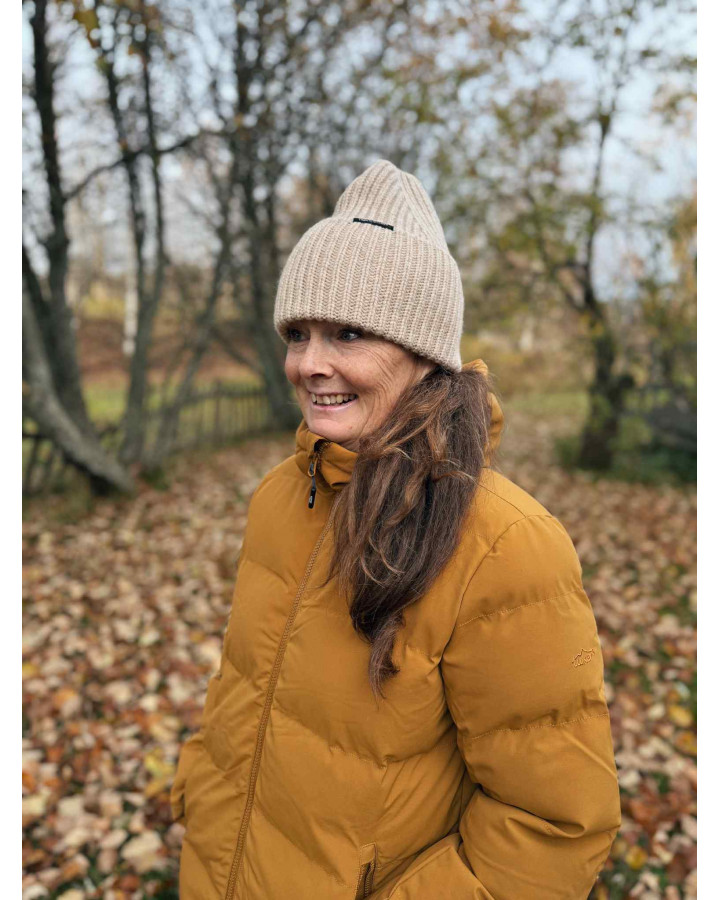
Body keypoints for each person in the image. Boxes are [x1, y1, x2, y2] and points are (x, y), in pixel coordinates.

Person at [170, 159, 621, 899]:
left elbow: (554, 825)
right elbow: (245, 684)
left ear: (423, 353)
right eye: (298, 333)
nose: (310, 364)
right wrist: (200, 787)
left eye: (348, 333)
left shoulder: (505, 546)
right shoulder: (281, 497)